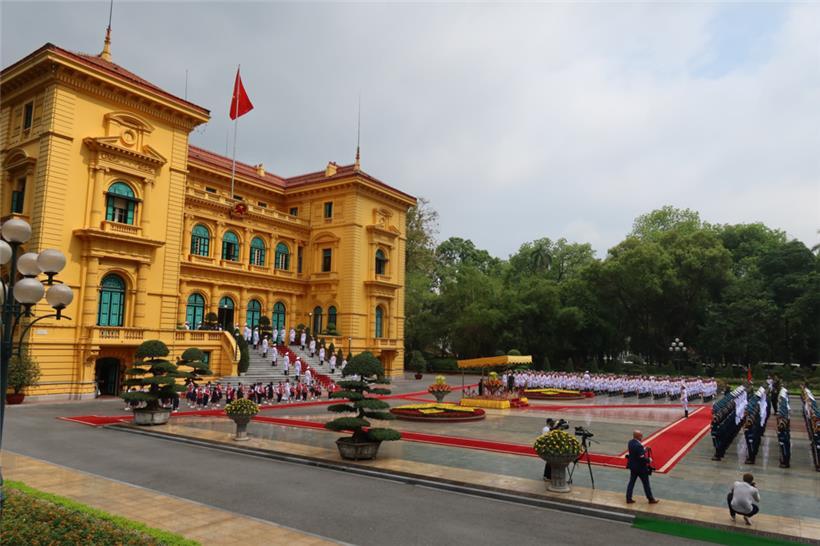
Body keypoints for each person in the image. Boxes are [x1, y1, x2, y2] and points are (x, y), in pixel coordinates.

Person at [626, 430, 659, 504]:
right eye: (641, 436)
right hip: (641, 468)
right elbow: (641, 458)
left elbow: (636, 453)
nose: (642, 437)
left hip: (633, 467)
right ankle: (650, 499)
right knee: (646, 484)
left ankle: (628, 498)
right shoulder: (639, 445)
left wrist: (644, 450)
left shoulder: (630, 442)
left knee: (631, 483)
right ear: (638, 436)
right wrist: (649, 460)